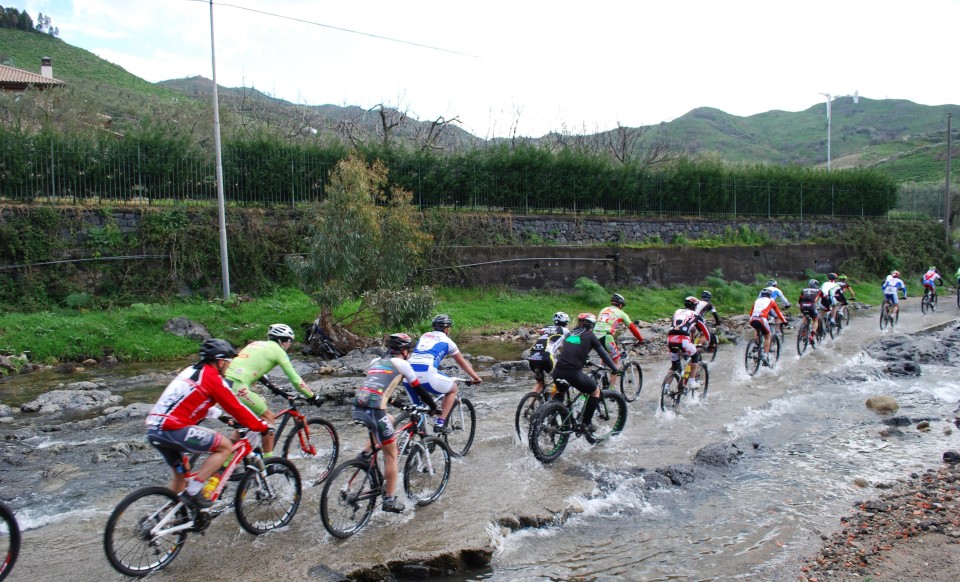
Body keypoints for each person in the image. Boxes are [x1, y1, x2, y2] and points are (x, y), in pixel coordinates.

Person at [145, 339, 272, 509]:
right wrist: (262, 426)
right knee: (225, 446)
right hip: (173, 428)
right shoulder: (213, 378)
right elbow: (236, 407)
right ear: (220, 361)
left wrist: (221, 416)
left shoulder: (190, 371)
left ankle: (168, 516)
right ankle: (195, 492)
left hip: (154, 430)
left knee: (182, 473)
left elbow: (191, 401)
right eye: (228, 362)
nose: (228, 367)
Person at [352, 333, 439, 514]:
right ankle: (389, 500)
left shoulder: (376, 362)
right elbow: (419, 389)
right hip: (375, 410)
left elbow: (380, 389)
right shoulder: (403, 364)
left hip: (358, 405)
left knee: (390, 420)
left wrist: (396, 403)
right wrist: (433, 407)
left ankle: (365, 455)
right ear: (405, 351)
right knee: (392, 454)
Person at [224, 323, 318, 457]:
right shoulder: (278, 351)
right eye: (290, 341)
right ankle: (268, 463)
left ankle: (225, 461)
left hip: (225, 384)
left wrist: (273, 388)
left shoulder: (255, 344)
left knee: (246, 423)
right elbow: (296, 380)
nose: (289, 345)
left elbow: (253, 368)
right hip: (239, 386)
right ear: (284, 341)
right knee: (268, 418)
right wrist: (312, 396)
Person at [406, 314, 482, 433]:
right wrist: (475, 377)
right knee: (452, 389)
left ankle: (415, 440)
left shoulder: (424, 336)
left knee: (419, 411)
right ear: (447, 329)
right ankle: (440, 423)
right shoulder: (448, 341)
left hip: (408, 375)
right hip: (427, 374)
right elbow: (462, 363)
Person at [551, 313, 621, 432]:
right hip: (572, 373)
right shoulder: (590, 335)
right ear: (591, 325)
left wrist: (585, 360)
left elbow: (573, 349)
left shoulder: (570, 334)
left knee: (560, 392)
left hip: (557, 371)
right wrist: (615, 369)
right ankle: (586, 423)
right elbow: (603, 353)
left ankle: (550, 417)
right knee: (595, 392)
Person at [594, 293, 645, 390]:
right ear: (620, 305)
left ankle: (599, 378)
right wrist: (641, 339)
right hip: (606, 336)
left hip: (594, 336)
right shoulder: (621, 313)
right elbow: (633, 329)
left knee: (604, 357)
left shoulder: (604, 310)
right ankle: (612, 390)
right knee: (616, 361)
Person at [666, 299, 711, 389]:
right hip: (683, 340)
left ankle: (665, 388)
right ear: (695, 306)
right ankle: (692, 382)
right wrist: (709, 342)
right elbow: (705, 332)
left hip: (670, 339)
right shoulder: (696, 315)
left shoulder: (677, 311)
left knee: (674, 366)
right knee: (695, 357)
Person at [526, 311, 570, 394]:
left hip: (532, 357)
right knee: (561, 380)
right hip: (546, 357)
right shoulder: (565, 330)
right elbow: (571, 344)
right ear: (566, 322)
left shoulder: (544, 328)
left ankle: (529, 405)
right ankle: (555, 404)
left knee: (540, 383)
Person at [749, 289, 787, 366]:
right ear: (769, 295)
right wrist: (785, 321)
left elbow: (751, 313)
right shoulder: (771, 301)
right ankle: (765, 356)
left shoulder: (756, 301)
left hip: (752, 319)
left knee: (757, 329)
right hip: (762, 319)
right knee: (767, 336)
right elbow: (778, 313)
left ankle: (756, 346)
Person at [797, 279, 823, 345]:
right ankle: (811, 336)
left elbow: (800, 300)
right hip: (812, 306)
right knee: (815, 320)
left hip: (803, 306)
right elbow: (824, 299)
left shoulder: (804, 290)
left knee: (805, 316)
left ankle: (803, 331)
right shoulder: (819, 290)